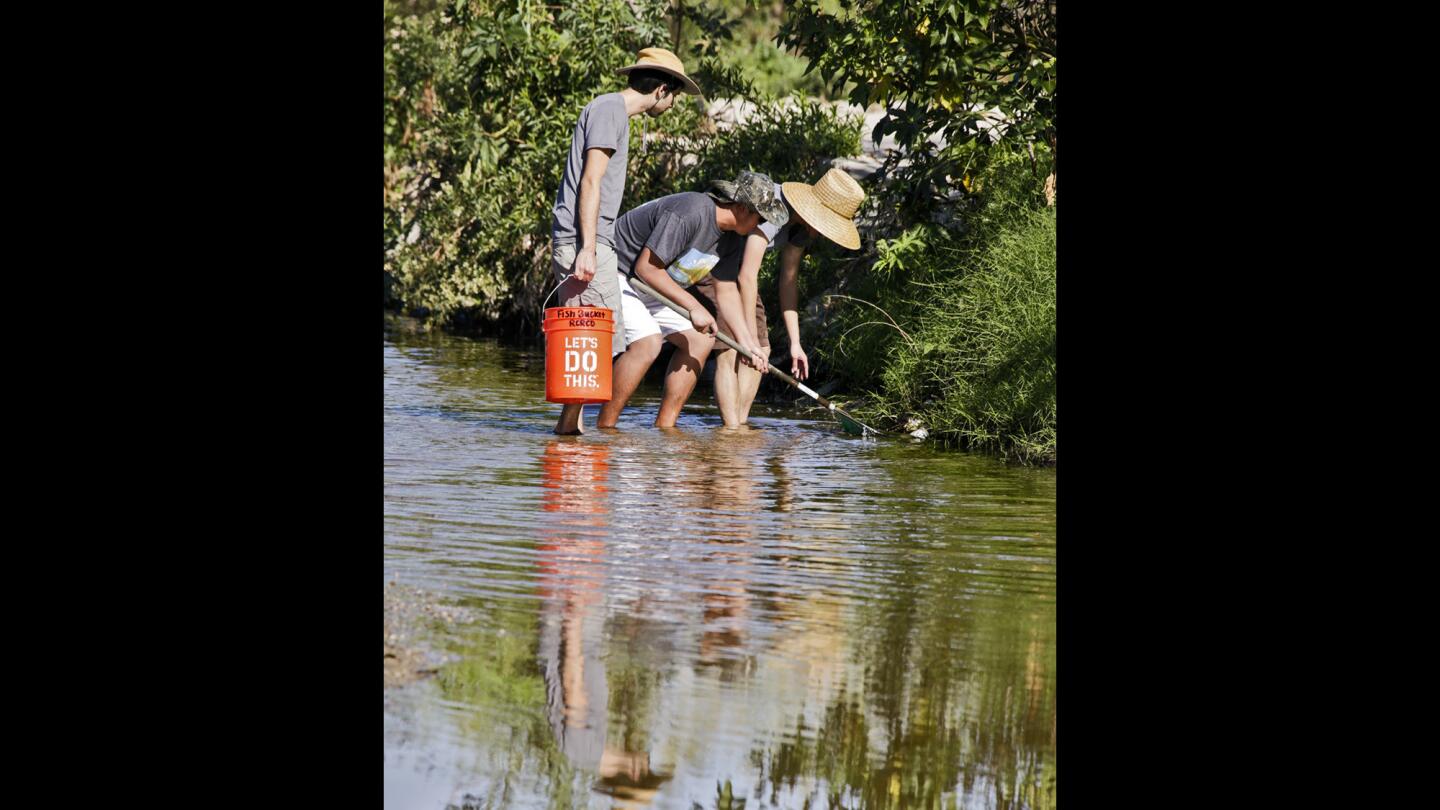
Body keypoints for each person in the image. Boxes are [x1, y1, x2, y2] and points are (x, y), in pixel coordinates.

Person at [550, 47, 701, 435]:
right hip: (587, 241)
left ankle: (572, 435)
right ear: (663, 90)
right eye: (676, 97)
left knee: (594, 344)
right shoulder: (609, 111)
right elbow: (591, 180)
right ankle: (569, 435)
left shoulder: (614, 114)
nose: (672, 105)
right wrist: (587, 247)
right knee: (588, 342)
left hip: (596, 241)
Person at [595, 171, 789, 430]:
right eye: (760, 217)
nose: (760, 226)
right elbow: (646, 268)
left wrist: (749, 344)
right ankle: (606, 429)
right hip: (618, 272)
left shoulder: (732, 238)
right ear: (741, 207)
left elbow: (727, 291)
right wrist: (694, 307)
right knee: (648, 344)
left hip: (652, 285)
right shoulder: (691, 212)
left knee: (700, 340)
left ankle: (665, 428)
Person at [689, 167, 866, 426]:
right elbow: (748, 275)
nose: (823, 233)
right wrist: (746, 337)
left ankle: (740, 425)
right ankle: (731, 432)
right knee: (731, 348)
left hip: (736, 269)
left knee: (762, 349)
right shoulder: (773, 207)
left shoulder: (804, 228)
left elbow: (788, 280)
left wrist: (795, 343)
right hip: (713, 263)